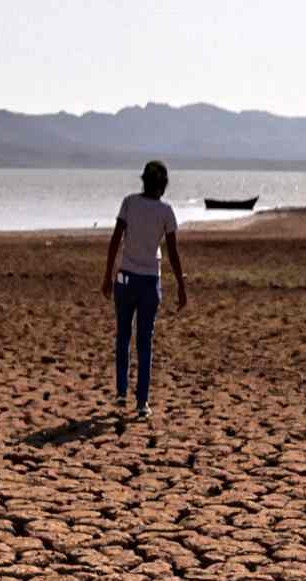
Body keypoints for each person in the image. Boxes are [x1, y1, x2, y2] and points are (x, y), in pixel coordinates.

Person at [104, 160, 185, 418]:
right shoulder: (166, 211)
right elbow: (173, 253)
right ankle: (142, 403)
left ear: (144, 180)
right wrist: (182, 286)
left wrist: (107, 275)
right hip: (150, 282)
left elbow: (115, 241)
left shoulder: (129, 203)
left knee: (123, 336)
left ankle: (120, 392)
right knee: (145, 341)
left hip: (125, 279)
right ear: (163, 185)